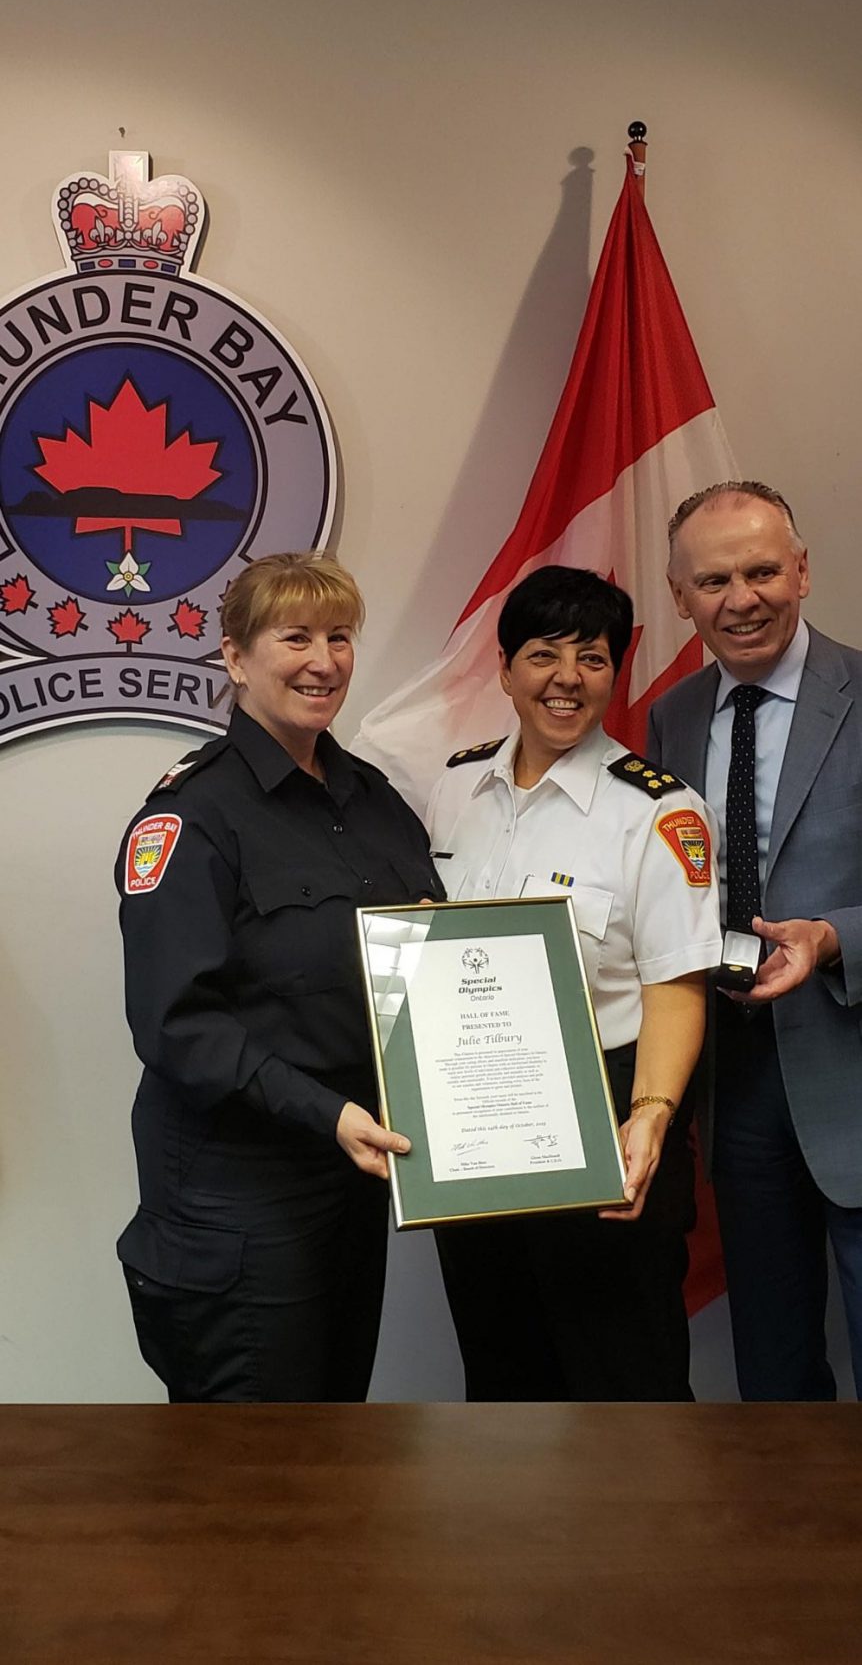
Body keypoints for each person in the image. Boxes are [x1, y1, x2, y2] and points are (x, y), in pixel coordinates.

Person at [115, 551, 444, 1402]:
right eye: (295, 637)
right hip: (237, 1196)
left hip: (351, 1179)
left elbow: (432, 960)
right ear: (235, 658)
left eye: (339, 637)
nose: (323, 660)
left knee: (335, 1438)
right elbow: (176, 1025)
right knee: (253, 1470)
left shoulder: (373, 799)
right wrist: (324, 1111)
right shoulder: (192, 813)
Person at [426, 566, 723, 1400]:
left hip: (608, 1113)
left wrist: (651, 1117)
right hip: (475, 1121)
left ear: (615, 672)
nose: (567, 679)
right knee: (500, 1371)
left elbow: (678, 982)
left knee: (624, 1380)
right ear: (505, 668)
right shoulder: (453, 789)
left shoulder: (659, 812)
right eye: (543, 655)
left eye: (592, 658)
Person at [648, 480, 862, 1401]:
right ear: (679, 597)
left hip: (852, 1066)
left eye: (763, 570)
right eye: (715, 579)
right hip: (734, 1085)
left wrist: (832, 936)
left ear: (803, 571)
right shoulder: (673, 717)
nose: (743, 599)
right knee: (773, 1375)